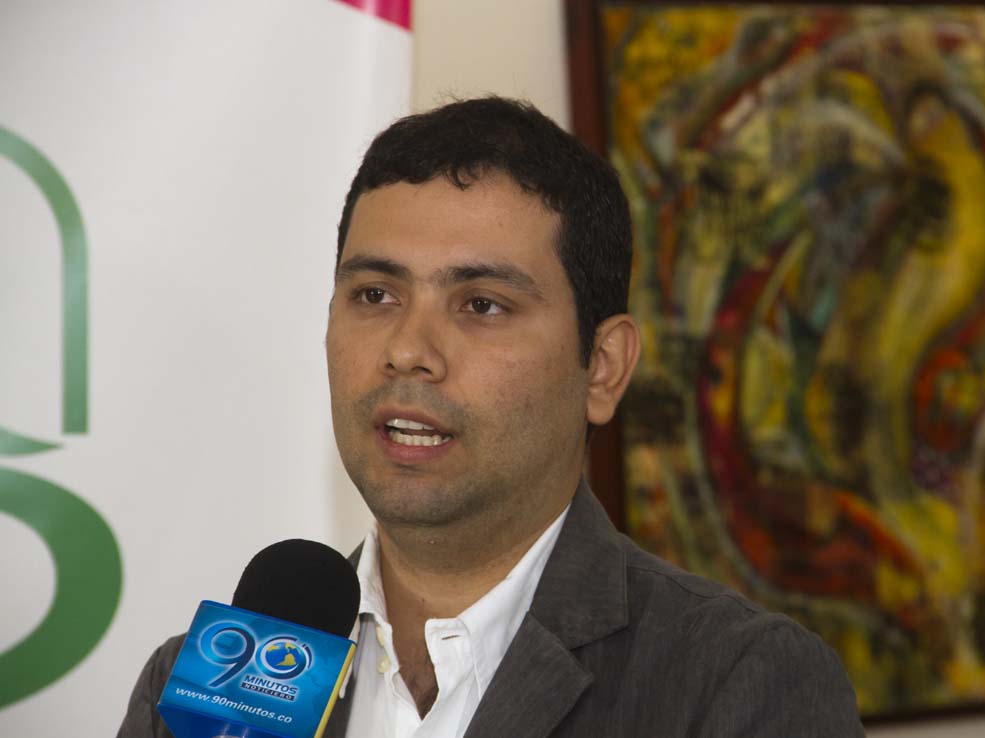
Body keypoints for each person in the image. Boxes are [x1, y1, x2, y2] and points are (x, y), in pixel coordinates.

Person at [118, 97, 864, 737]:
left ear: (602, 367)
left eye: (481, 304)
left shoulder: (737, 683)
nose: (408, 350)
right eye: (375, 295)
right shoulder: (198, 691)